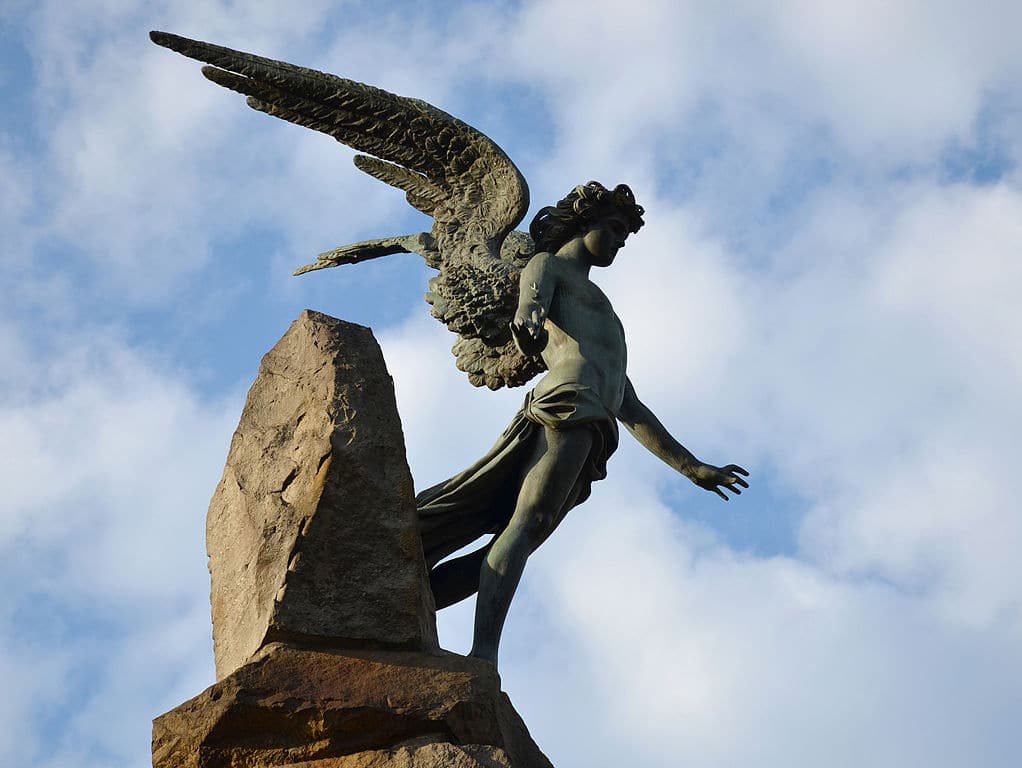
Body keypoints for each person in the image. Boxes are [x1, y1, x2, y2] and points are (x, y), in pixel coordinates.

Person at [416, 181, 749, 666]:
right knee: (527, 524)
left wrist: (692, 467)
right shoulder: (546, 266)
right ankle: (483, 654)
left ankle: (407, 604)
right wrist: (528, 322)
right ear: (582, 223)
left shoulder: (601, 304)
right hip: (569, 403)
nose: (617, 243)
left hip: (596, 420)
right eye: (613, 230)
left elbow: (629, 404)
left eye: (624, 236)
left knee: (524, 532)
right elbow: (530, 305)